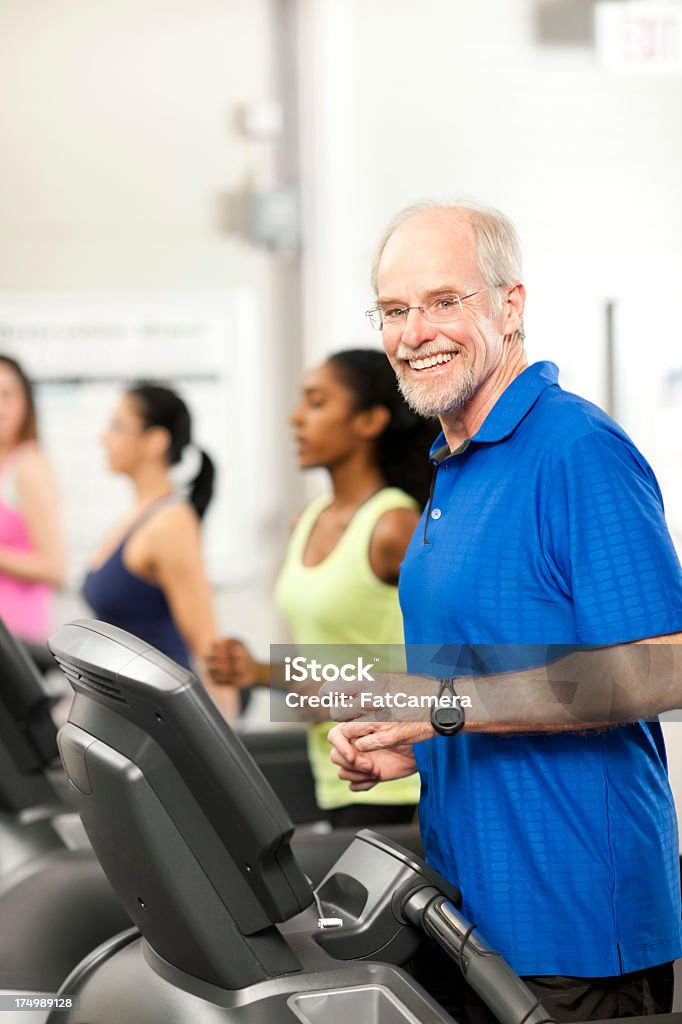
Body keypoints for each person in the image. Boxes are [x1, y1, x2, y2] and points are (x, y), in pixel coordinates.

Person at [327, 201, 682, 1022]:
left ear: (510, 305)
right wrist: (414, 748)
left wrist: (442, 708)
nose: (415, 332)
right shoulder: (455, 464)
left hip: (573, 919)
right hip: (469, 907)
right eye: (394, 310)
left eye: (444, 301)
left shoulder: (575, 449)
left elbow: (661, 667)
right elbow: (496, 685)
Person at [208, 349, 435, 827]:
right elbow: (333, 668)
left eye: (315, 402)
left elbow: (438, 662)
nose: (296, 418)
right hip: (335, 776)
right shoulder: (307, 520)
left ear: (369, 420)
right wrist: (254, 671)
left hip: (397, 784)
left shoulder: (394, 527)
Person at [83, 383, 224, 697]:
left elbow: (206, 642)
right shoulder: (137, 515)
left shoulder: (171, 522)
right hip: (125, 708)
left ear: (156, 441)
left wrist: (223, 738)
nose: (104, 437)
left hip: (161, 713)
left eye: (118, 426)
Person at [0, 354, 65, 642]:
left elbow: (55, 568)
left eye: (6, 395)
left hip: (17, 645)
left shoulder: (29, 467)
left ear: (26, 402)